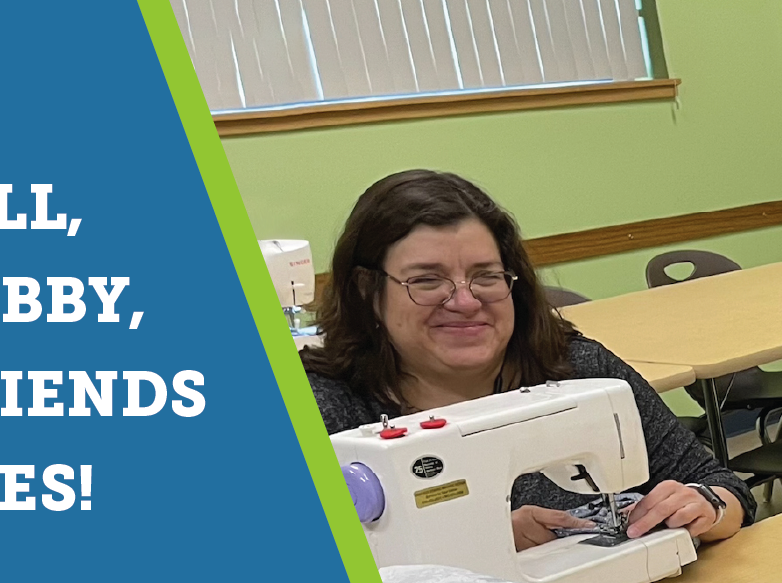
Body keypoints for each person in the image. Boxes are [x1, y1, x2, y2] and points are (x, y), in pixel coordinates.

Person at [303, 170, 751, 548]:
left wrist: (705, 506)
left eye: (486, 276)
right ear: (367, 291)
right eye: (426, 281)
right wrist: (485, 544)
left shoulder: (575, 366)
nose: (465, 301)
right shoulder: (321, 411)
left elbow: (724, 488)